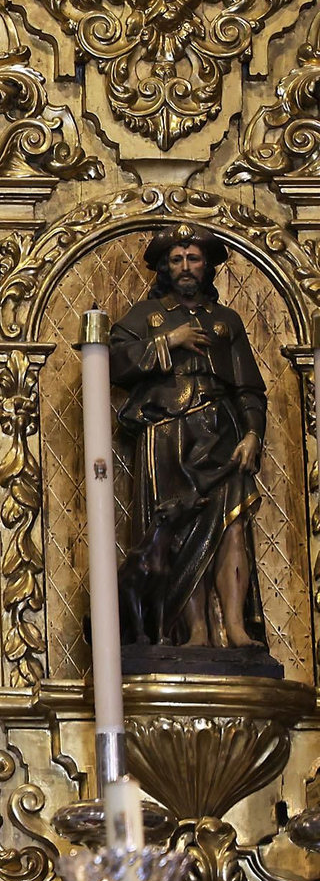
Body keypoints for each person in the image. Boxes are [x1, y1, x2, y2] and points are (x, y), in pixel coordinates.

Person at [109, 225, 266, 649]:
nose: (185, 267)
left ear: (207, 266)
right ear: (165, 267)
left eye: (193, 259)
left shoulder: (225, 321)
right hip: (169, 435)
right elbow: (114, 361)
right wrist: (168, 341)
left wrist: (252, 433)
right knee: (177, 532)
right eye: (176, 260)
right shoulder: (147, 315)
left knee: (232, 526)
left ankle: (234, 626)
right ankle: (193, 630)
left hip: (221, 432)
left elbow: (249, 388)